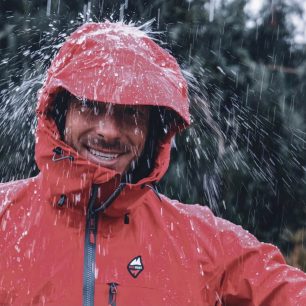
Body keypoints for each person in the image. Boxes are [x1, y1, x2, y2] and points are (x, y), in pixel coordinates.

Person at [0, 21, 305, 306]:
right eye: (91, 106)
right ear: (60, 111)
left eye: (130, 113)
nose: (108, 131)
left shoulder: (199, 242)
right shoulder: (4, 219)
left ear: (151, 130)